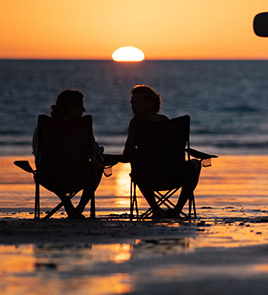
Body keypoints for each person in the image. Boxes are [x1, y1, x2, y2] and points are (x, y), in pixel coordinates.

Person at [121, 85, 201, 218]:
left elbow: (127, 154)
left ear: (150, 102)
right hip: (176, 175)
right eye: (132, 103)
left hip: (149, 177)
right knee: (195, 164)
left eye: (137, 102)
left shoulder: (136, 123)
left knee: (136, 166)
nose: (133, 106)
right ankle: (177, 210)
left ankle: (156, 209)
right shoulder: (166, 121)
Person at [33, 90, 105, 219]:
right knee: (98, 168)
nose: (83, 109)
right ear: (71, 108)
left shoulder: (43, 128)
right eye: (80, 106)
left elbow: (39, 156)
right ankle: (79, 209)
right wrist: (101, 156)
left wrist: (41, 171)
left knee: (51, 169)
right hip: (79, 177)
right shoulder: (82, 128)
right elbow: (95, 152)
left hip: (49, 177)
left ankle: (68, 206)